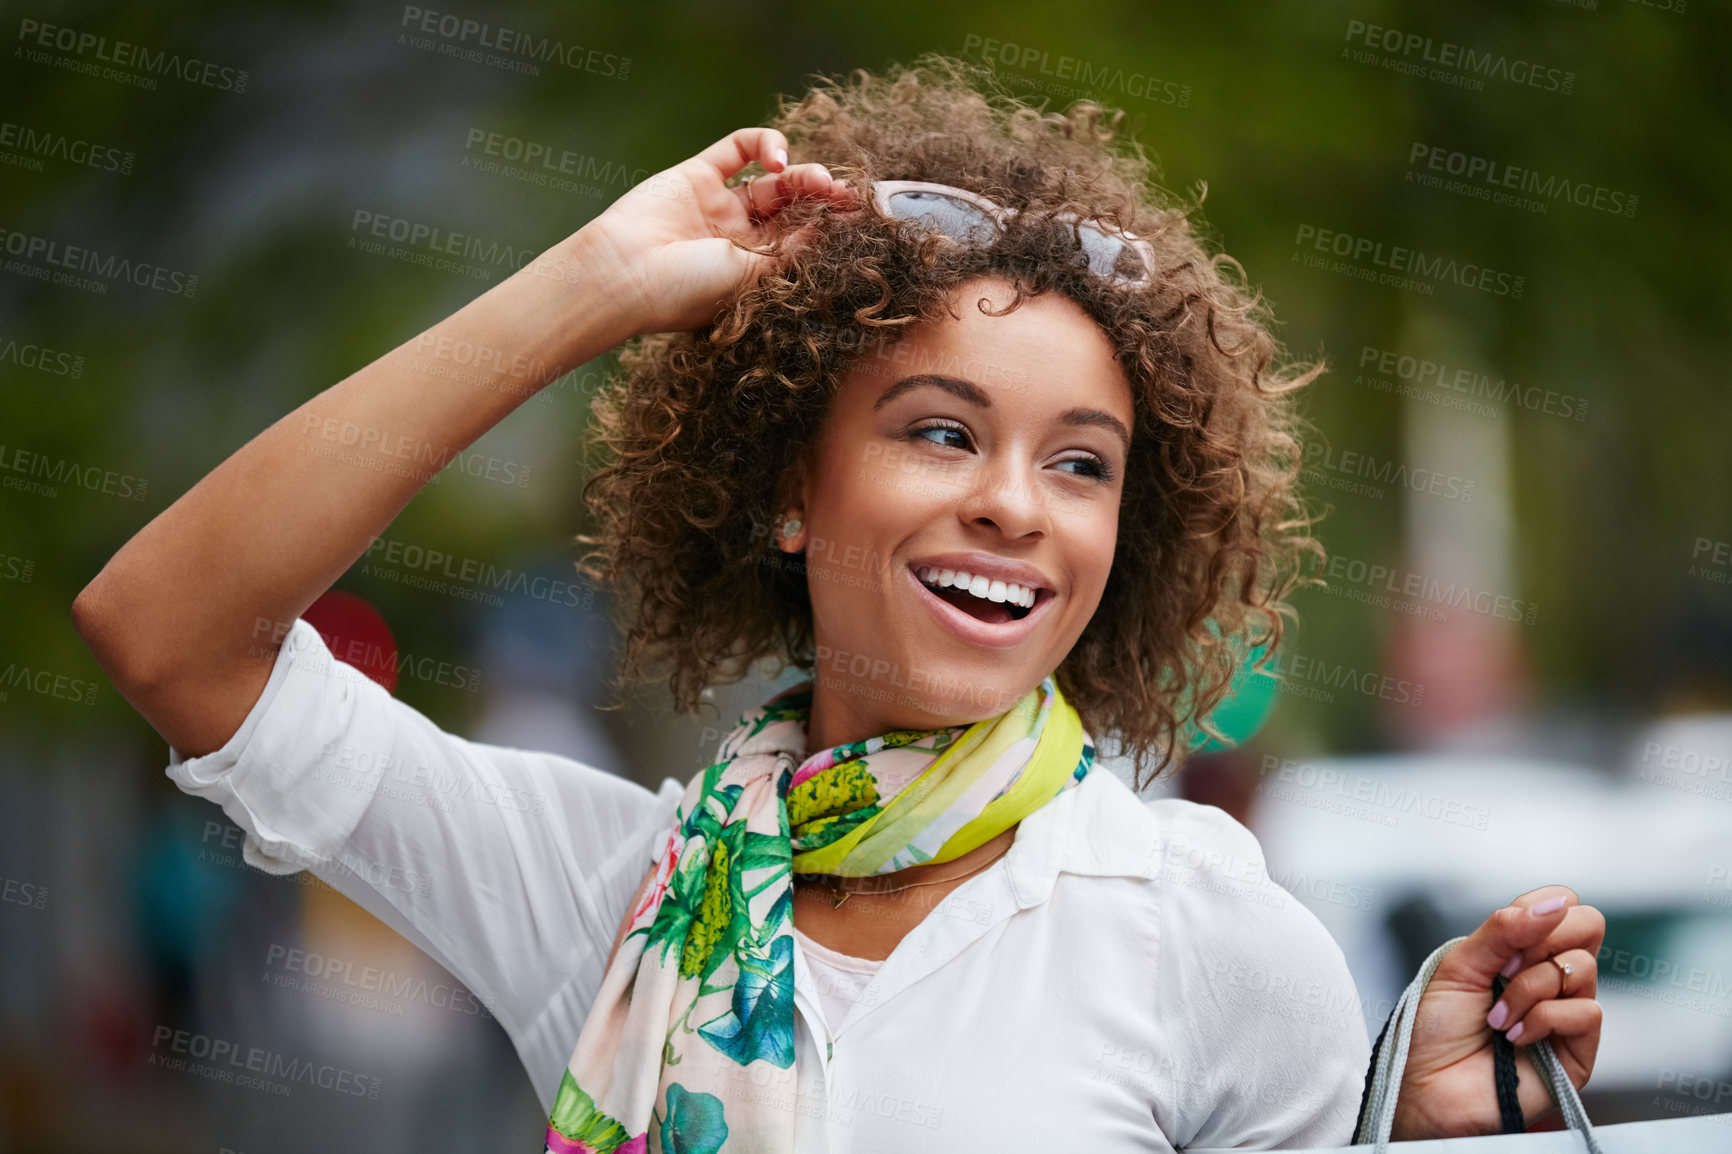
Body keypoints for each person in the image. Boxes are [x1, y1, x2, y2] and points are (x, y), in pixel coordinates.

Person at [74, 55, 1603, 1152]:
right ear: (792, 489)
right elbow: (170, 627)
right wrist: (600, 277)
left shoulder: (1204, 930)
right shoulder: (609, 893)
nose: (1013, 499)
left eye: (1082, 463)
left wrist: (1397, 1126)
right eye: (941, 430)